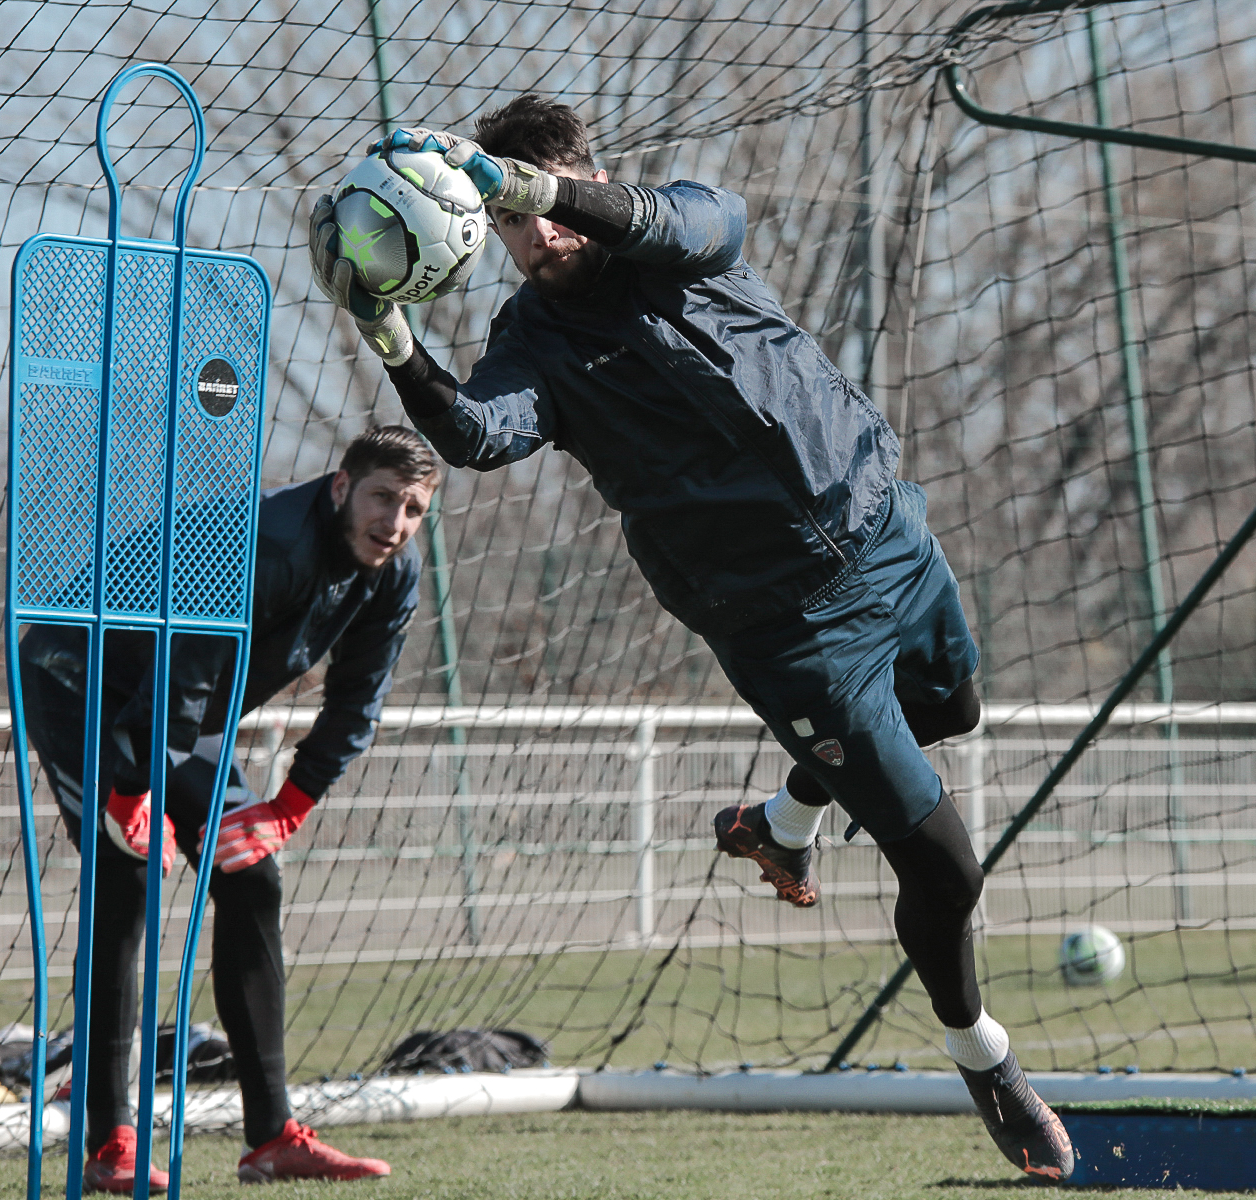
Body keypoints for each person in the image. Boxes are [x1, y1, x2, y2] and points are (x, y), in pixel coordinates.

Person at [308, 96, 1071, 1181]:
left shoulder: (681, 231)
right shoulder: (531, 341)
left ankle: (779, 822)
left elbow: (699, 221)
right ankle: (982, 1058)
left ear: (582, 182)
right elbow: (478, 434)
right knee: (946, 867)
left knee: (950, 710)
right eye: (513, 225)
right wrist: (390, 336)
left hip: (886, 534)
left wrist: (526, 185)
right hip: (790, 633)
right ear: (487, 235)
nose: (538, 238)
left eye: (547, 207)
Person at [17, 425, 437, 1191]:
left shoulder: (393, 571)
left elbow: (357, 702)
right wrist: (131, 795)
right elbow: (183, 673)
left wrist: (288, 807)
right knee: (128, 873)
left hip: (180, 703)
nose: (396, 521)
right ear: (342, 487)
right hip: (78, 677)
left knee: (252, 876)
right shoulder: (268, 544)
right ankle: (112, 1145)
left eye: (413, 509)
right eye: (383, 497)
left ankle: (273, 1139)